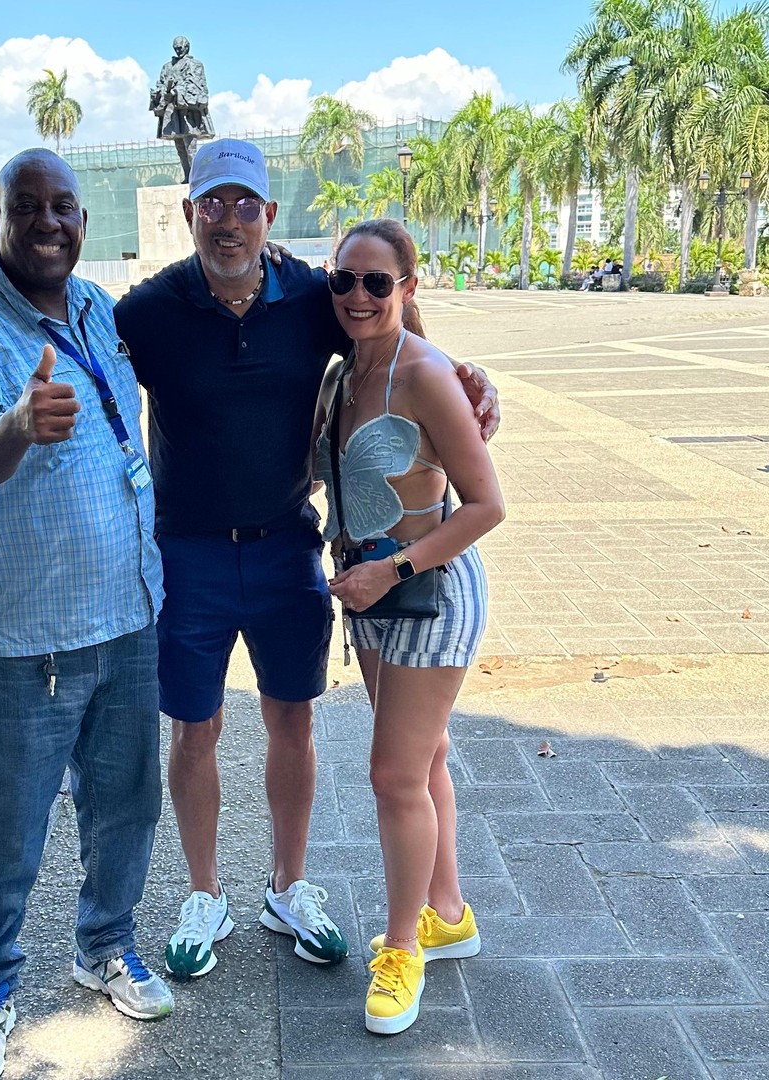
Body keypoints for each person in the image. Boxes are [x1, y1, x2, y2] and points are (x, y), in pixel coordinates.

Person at [113, 139, 500, 982]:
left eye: (244, 205)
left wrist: (464, 379)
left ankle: (288, 886)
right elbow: (87, 363)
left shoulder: (311, 296)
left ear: (269, 214)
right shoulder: (149, 310)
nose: (228, 222)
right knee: (194, 727)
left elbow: (390, 332)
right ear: (189, 212)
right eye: (212, 204)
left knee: (294, 719)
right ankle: (205, 893)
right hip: (187, 553)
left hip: (289, 545)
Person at [0, 148, 172, 1080]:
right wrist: (20, 425)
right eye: (24, 206)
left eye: (61, 206)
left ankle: (104, 945)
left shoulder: (99, 308)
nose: (47, 223)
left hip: (127, 614)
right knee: (5, 828)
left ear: (81, 219)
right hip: (27, 640)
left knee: (127, 806)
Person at [313, 219, 505, 1035]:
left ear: (408, 287)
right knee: (422, 760)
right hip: (370, 596)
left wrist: (390, 570)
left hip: (427, 588)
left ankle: (402, 948)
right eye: (343, 280)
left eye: (376, 282)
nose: (357, 296)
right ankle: (446, 914)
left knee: (393, 776)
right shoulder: (343, 374)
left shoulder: (425, 374)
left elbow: (487, 506)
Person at [150, 36, 216, 182]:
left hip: (188, 110)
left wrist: (177, 91)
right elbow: (161, 84)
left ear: (187, 47)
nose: (178, 50)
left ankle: (196, 177)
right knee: (180, 147)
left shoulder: (195, 64)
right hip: (173, 111)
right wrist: (162, 92)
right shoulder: (167, 67)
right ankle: (187, 176)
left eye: (180, 48)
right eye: (176, 48)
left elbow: (197, 85)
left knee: (190, 147)